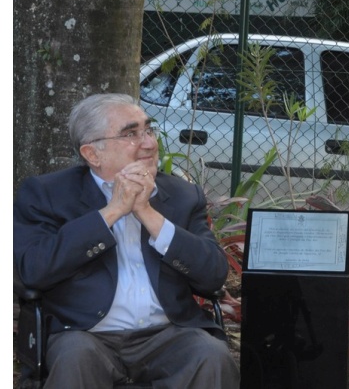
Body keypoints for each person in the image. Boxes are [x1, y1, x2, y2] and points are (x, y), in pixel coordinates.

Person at [13, 93, 240, 388]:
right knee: (75, 357)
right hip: (85, 334)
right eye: (131, 134)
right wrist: (112, 212)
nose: (148, 142)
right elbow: (31, 271)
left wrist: (147, 212)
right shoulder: (48, 194)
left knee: (210, 354)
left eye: (148, 130)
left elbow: (213, 275)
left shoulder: (183, 195)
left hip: (168, 335)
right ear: (93, 154)